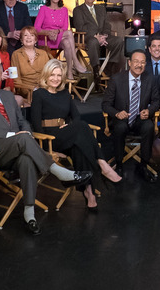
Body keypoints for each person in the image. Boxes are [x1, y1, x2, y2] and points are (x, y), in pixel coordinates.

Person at [0, 59, 92, 234]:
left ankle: (29, 212)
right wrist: (15, 135)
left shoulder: (8, 96)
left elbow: (23, 122)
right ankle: (59, 172)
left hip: (18, 148)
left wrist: (25, 133)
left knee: (26, 159)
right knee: (23, 139)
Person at [31, 59, 122, 211]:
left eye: (59, 75)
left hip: (66, 135)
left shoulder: (65, 94)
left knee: (80, 147)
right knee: (81, 128)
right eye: (52, 74)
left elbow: (77, 117)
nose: (56, 78)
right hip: (49, 138)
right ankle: (102, 164)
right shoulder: (39, 94)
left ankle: (89, 192)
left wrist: (70, 126)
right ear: (46, 75)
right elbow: (36, 124)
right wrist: (47, 149)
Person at [102, 50, 160, 182]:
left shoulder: (150, 79)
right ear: (129, 63)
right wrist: (117, 113)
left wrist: (149, 111)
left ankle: (144, 165)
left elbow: (157, 101)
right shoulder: (116, 79)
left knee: (149, 126)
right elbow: (105, 104)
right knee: (120, 128)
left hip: (140, 118)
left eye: (142, 62)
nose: (139, 65)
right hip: (122, 118)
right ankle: (119, 164)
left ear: (146, 64)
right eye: (136, 61)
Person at [35, 0, 89, 80]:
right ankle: (75, 62)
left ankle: (69, 72)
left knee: (67, 43)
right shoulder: (43, 9)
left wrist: (57, 32)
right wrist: (49, 33)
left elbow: (64, 27)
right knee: (68, 33)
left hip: (59, 38)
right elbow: (36, 29)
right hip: (46, 40)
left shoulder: (64, 10)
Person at [72, 0, 125, 75]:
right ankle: (96, 70)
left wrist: (104, 36)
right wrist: (96, 35)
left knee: (118, 41)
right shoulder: (78, 10)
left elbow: (107, 24)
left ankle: (108, 67)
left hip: (102, 36)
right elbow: (80, 26)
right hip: (86, 37)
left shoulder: (101, 9)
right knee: (93, 42)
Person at [12, 26, 52, 100]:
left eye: (32, 35)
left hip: (43, 87)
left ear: (36, 40)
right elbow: (16, 79)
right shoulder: (16, 54)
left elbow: (48, 74)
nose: (29, 38)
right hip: (25, 89)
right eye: (25, 35)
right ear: (21, 39)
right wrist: (31, 89)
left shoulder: (43, 53)